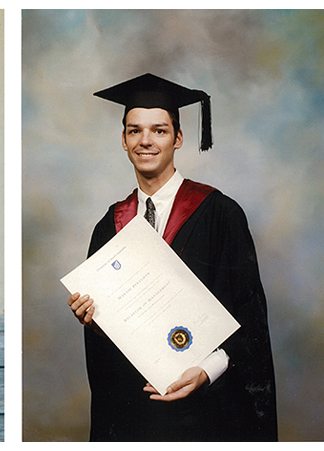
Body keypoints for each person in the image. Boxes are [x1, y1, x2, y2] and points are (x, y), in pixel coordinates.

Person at [67, 73, 278, 441]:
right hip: (134, 413)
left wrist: (205, 370)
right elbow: (110, 336)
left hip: (205, 414)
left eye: (159, 131)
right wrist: (92, 317)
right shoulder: (110, 225)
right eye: (134, 131)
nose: (145, 141)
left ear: (178, 138)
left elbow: (250, 317)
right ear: (123, 140)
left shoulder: (219, 214)